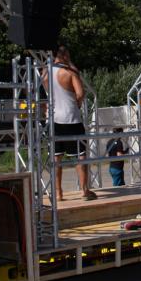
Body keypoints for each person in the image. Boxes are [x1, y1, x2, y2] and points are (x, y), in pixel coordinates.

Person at [46, 46, 97, 201]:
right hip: (71, 118)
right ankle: (84, 190)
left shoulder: (45, 72)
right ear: (65, 55)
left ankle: (58, 193)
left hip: (53, 119)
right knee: (80, 156)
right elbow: (80, 93)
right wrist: (77, 104)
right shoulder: (70, 72)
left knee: (56, 157)